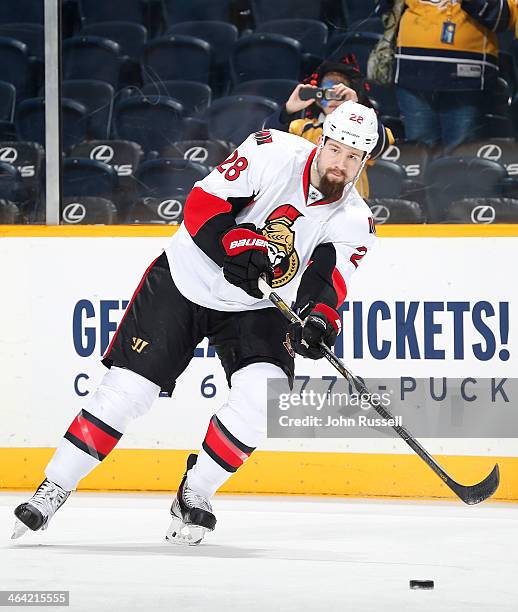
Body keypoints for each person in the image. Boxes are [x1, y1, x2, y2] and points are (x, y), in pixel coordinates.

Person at [12, 100, 379, 546]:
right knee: (128, 392)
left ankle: (195, 492)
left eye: (353, 156)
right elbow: (203, 203)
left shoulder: (356, 219)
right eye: (335, 149)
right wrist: (236, 244)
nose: (340, 164)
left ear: (365, 160)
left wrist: (319, 319)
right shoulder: (272, 151)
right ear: (320, 141)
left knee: (264, 400)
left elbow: (327, 280)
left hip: (254, 307)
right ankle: (55, 487)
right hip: (187, 278)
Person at [377, 0, 518, 148]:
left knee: (461, 157)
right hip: (412, 70)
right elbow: (384, 10)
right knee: (418, 156)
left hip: (467, 77)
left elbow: (503, 19)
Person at [265, 56, 394, 199]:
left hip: (349, 204)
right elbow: (270, 145)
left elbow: (381, 144)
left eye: (339, 94)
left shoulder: (365, 131)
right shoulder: (302, 127)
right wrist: (288, 110)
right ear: (318, 98)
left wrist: (355, 107)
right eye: (326, 93)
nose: (332, 99)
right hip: (302, 200)